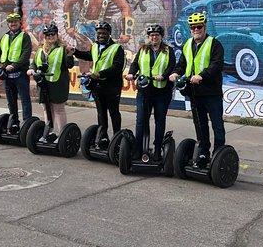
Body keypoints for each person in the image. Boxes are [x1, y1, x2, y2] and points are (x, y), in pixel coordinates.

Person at [169, 12, 225, 166]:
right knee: (200, 125)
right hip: (194, 93)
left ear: (204, 26)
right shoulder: (187, 44)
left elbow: (217, 65)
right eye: (193, 27)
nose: (196, 30)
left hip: (211, 92)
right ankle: (203, 152)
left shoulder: (214, 44)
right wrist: (175, 72)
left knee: (217, 124)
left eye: (199, 26)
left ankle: (218, 155)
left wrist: (201, 75)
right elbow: (182, 64)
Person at [68, 21, 124, 148]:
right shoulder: (95, 46)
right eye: (99, 33)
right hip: (97, 85)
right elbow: (89, 56)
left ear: (109, 34)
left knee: (114, 113)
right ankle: (103, 137)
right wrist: (75, 51)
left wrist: (99, 74)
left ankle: (117, 139)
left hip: (112, 86)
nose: (101, 35)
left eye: (104, 33)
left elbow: (117, 67)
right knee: (101, 113)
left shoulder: (117, 48)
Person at [126, 24, 175, 161]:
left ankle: (158, 149)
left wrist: (164, 75)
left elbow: (171, 66)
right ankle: (138, 149)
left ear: (161, 37)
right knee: (141, 120)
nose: (154, 37)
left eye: (157, 35)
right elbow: (135, 64)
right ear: (148, 37)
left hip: (162, 91)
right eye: (152, 35)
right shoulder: (143, 50)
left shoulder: (168, 50)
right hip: (144, 90)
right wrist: (131, 73)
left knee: (160, 120)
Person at [27, 23, 74, 142]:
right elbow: (35, 62)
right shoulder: (41, 48)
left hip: (58, 84)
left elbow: (69, 65)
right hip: (43, 83)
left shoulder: (63, 49)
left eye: (53, 34)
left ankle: (62, 136)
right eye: (47, 35)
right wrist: (31, 68)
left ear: (57, 35)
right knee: (46, 108)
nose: (50, 37)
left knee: (58, 109)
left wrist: (69, 55)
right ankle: (49, 132)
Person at [0, 13, 32, 132]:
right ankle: (14, 122)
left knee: (25, 99)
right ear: (8, 24)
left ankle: (27, 125)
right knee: (11, 100)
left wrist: (14, 65)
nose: (12, 24)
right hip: (7, 74)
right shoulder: (5, 36)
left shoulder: (24, 36)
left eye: (15, 21)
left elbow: (25, 54)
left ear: (20, 23)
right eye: (10, 22)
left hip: (20, 73)